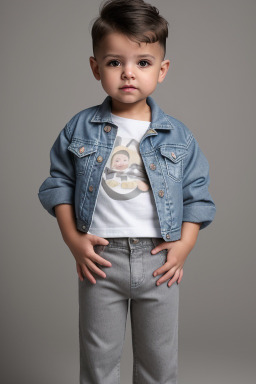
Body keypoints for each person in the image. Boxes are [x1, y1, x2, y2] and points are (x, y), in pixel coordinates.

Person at [38, 0, 216, 383]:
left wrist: (184, 246)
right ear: (95, 67)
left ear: (162, 70)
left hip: (159, 261)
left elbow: (196, 195)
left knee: (158, 363)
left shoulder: (179, 136)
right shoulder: (79, 128)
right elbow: (58, 185)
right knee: (98, 363)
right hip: (101, 259)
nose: (128, 74)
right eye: (115, 62)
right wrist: (73, 239)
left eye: (143, 62)